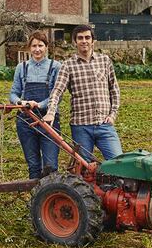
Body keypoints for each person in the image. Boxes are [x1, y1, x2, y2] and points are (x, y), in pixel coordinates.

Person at [43, 24, 122, 162]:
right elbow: (57, 91)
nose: (84, 41)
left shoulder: (104, 61)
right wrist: (50, 111)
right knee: (84, 168)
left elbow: (114, 89)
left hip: (104, 124)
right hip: (81, 127)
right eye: (80, 38)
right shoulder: (68, 65)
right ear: (75, 42)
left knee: (117, 161)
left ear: (93, 41)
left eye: (87, 37)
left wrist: (113, 114)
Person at [9, 30, 62, 179]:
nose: (37, 49)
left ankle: (50, 197)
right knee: (33, 166)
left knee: (51, 166)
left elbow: (57, 95)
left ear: (46, 47)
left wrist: (38, 104)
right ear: (29, 48)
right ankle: (36, 199)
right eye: (34, 46)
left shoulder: (55, 66)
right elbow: (13, 94)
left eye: (40, 45)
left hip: (48, 120)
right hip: (25, 121)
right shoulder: (22, 67)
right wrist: (22, 102)